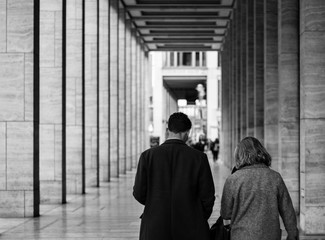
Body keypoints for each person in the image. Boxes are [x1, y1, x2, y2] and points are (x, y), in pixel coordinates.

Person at [133, 112, 215, 240]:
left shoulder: (147, 156)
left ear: (168, 130)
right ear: (187, 132)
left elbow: (138, 192)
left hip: (155, 225)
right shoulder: (199, 158)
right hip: (191, 225)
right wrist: (198, 214)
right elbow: (208, 195)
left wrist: (155, 203)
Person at [220, 136, 299, 240]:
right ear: (262, 152)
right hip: (270, 235)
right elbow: (287, 209)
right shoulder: (275, 177)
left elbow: (226, 213)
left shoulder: (233, 179)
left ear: (239, 155)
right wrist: (292, 233)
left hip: (241, 235)